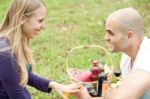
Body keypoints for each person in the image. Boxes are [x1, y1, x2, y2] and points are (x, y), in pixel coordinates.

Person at [0, 0, 82, 99]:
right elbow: (18, 95)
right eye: (40, 21)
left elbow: (21, 76)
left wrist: (54, 85)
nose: (44, 26)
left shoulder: (12, 42)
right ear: (22, 19)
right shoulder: (5, 52)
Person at [74, 7, 150, 99]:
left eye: (111, 33)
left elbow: (121, 97)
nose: (105, 38)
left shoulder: (147, 57)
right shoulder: (127, 57)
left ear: (129, 35)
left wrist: (106, 91)